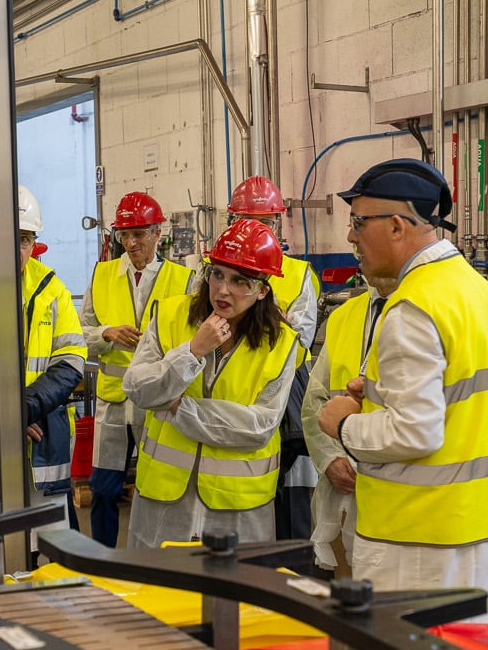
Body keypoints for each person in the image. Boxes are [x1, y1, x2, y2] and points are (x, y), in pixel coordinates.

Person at [315, 158, 488, 621]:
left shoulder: (413, 307)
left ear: (396, 226)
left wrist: (344, 423)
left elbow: (414, 435)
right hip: (485, 526)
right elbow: (457, 401)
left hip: (421, 541)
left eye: (358, 223)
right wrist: (377, 392)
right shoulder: (475, 291)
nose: (351, 237)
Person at [123, 219, 301, 546]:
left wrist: (179, 407)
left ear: (263, 290)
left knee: (236, 594)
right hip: (163, 501)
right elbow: (137, 388)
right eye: (216, 273)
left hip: (238, 508)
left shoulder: (281, 343)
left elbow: (258, 427)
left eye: (240, 281)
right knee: (157, 592)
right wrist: (192, 352)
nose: (222, 289)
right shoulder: (171, 316)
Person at [81, 191, 192, 547]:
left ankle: (146, 561)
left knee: (153, 486)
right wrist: (106, 333)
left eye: (139, 234)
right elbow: (77, 333)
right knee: (103, 487)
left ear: (158, 233)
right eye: (124, 235)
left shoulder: (184, 279)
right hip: (113, 402)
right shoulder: (102, 275)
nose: (131, 243)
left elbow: (194, 337)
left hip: (158, 403)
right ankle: (102, 561)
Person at [228, 175, 321, 540]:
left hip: (285, 403)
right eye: (246, 222)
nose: (255, 230)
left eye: (264, 222)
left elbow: (299, 343)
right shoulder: (216, 273)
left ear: (277, 224)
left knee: (293, 504)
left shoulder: (298, 276)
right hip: (237, 397)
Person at [300, 272, 397, 577]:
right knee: (347, 607)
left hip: (399, 503)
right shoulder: (345, 316)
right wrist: (329, 459)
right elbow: (314, 402)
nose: (352, 237)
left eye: (362, 226)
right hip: (341, 498)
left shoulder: (426, 311)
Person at [18, 185, 87, 531]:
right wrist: (3, 415)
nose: (18, 249)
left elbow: (72, 359)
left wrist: (25, 407)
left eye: (25, 239)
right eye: (10, 236)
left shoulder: (51, 289)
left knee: (53, 536)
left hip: (42, 429)